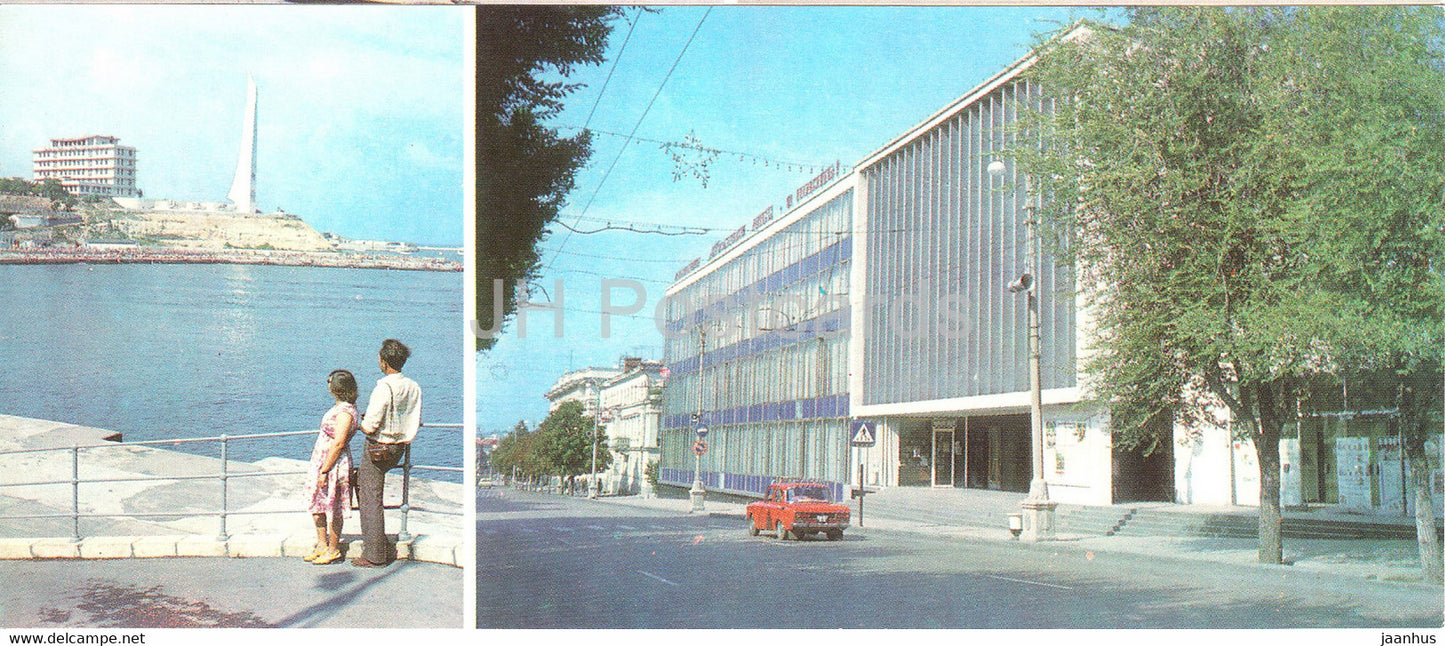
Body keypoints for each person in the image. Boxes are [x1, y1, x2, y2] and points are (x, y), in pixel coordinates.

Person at [352, 338, 422, 568]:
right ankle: (381, 546)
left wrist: (361, 424)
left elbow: (371, 424)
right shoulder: (413, 386)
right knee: (373, 495)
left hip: (378, 447)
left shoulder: (384, 387)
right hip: (399, 447)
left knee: (369, 497)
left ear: (383, 362)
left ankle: (375, 554)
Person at [305, 369, 358, 566]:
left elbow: (339, 443)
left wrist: (325, 470)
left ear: (337, 387)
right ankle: (322, 544)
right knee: (316, 501)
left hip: (334, 464)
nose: (327, 384)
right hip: (322, 460)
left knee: (334, 507)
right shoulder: (341, 408)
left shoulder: (345, 412)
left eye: (330, 381)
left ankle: (333, 549)